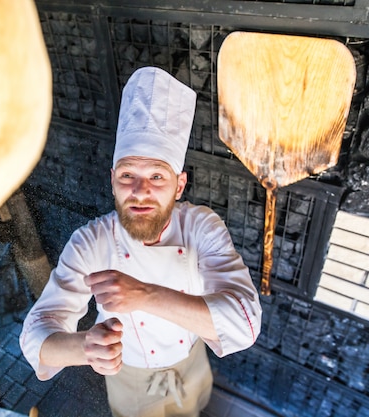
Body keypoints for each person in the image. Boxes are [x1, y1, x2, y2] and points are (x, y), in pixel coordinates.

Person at [20, 66, 262, 417]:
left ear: (179, 186)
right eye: (128, 174)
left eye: (157, 176)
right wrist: (85, 347)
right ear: (113, 181)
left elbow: (244, 325)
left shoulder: (201, 227)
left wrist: (145, 294)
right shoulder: (91, 242)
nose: (140, 191)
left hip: (190, 363)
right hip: (129, 378)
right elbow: (35, 336)